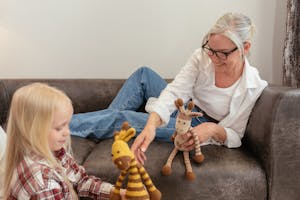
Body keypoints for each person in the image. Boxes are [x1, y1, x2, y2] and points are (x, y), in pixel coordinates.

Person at [70, 12, 267, 165]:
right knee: (144, 75)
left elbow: (235, 135)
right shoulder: (201, 57)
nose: (214, 59)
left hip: (196, 124)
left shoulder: (253, 86)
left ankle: (53, 127)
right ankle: (100, 127)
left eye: (222, 54)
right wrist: (151, 124)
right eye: (211, 50)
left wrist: (212, 129)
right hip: (183, 106)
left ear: (245, 48)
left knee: (121, 119)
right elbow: (175, 91)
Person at [3, 83, 125, 199]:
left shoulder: (55, 152)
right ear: (33, 130)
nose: (67, 132)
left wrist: (115, 193)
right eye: (59, 128)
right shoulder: (43, 184)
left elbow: (80, 181)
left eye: (67, 124)